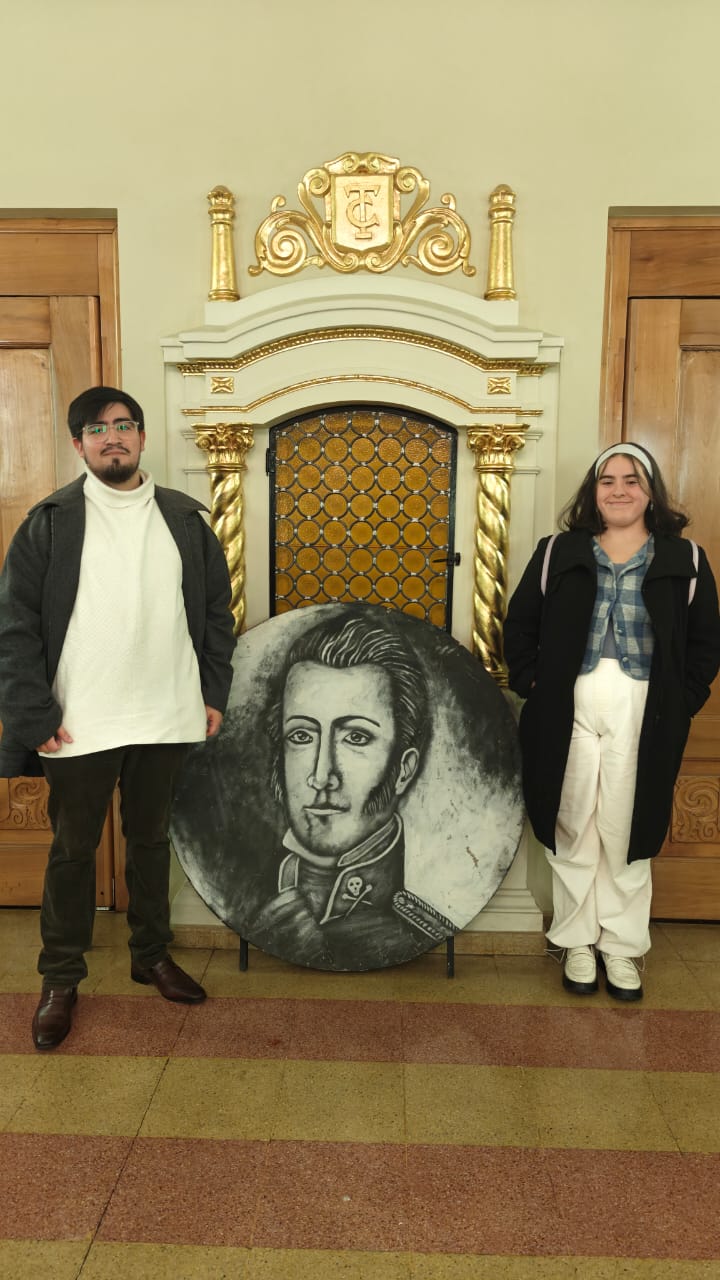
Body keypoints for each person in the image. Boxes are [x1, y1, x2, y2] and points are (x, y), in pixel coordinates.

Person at [0, 386, 236, 1049]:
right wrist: (32, 712)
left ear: (141, 437)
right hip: (78, 720)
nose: (113, 437)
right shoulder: (50, 522)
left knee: (151, 841)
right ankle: (60, 978)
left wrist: (211, 693)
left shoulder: (184, 520)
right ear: (78, 445)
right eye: (98, 428)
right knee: (72, 852)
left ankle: (150, 954)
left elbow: (216, 616)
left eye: (124, 425)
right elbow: (14, 626)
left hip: (167, 711)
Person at [504, 442, 720, 1001]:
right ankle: (576, 941)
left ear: (651, 493)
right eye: (608, 480)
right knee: (572, 821)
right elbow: (520, 622)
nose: (619, 490)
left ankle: (621, 947)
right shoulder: (558, 551)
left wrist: (683, 700)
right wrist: (532, 684)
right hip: (567, 703)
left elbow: (705, 642)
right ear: (593, 491)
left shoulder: (686, 558)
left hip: (645, 705)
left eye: (632, 480)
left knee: (627, 826)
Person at [250, 609, 455, 967]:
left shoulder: (421, 923)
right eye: (301, 736)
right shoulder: (246, 899)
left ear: (404, 769)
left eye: (356, 737)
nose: (322, 775)